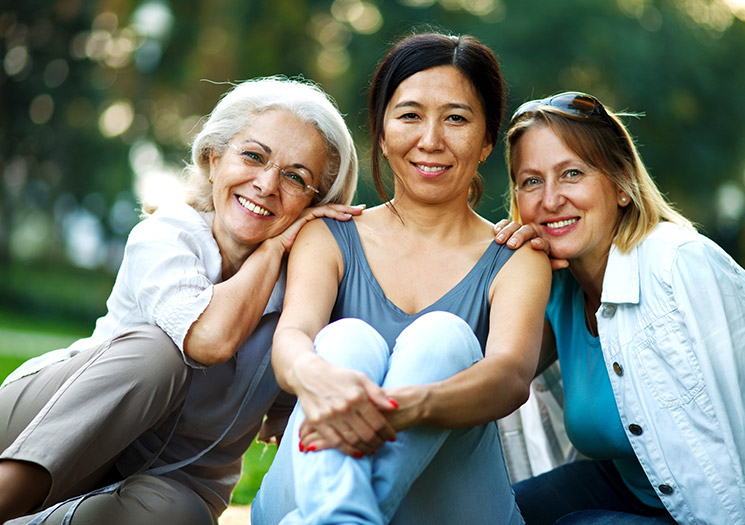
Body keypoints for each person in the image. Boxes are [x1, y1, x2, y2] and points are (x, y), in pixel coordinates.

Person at [0, 76, 362, 525]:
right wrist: (270, 250)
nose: (267, 185)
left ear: (316, 201)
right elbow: (209, 340)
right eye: (253, 156)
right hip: (32, 430)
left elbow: (299, 393)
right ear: (214, 158)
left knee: (178, 513)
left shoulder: (309, 288)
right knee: (159, 355)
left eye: (295, 177)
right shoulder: (166, 234)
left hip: (166, 485)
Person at [251, 33, 551, 525]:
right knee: (345, 341)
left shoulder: (515, 256)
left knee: (444, 338)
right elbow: (294, 338)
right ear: (383, 134)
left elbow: (509, 379)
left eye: (455, 119)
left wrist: (406, 408)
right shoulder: (329, 235)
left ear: (485, 144)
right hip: (305, 489)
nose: (430, 139)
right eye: (410, 115)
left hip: (448, 508)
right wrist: (324, 382)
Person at [496, 91, 745, 524]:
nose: (550, 199)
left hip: (710, 512)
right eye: (531, 181)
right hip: (631, 489)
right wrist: (491, 264)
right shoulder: (554, 287)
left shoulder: (679, 264)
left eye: (571, 173)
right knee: (496, 512)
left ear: (622, 185)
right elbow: (485, 370)